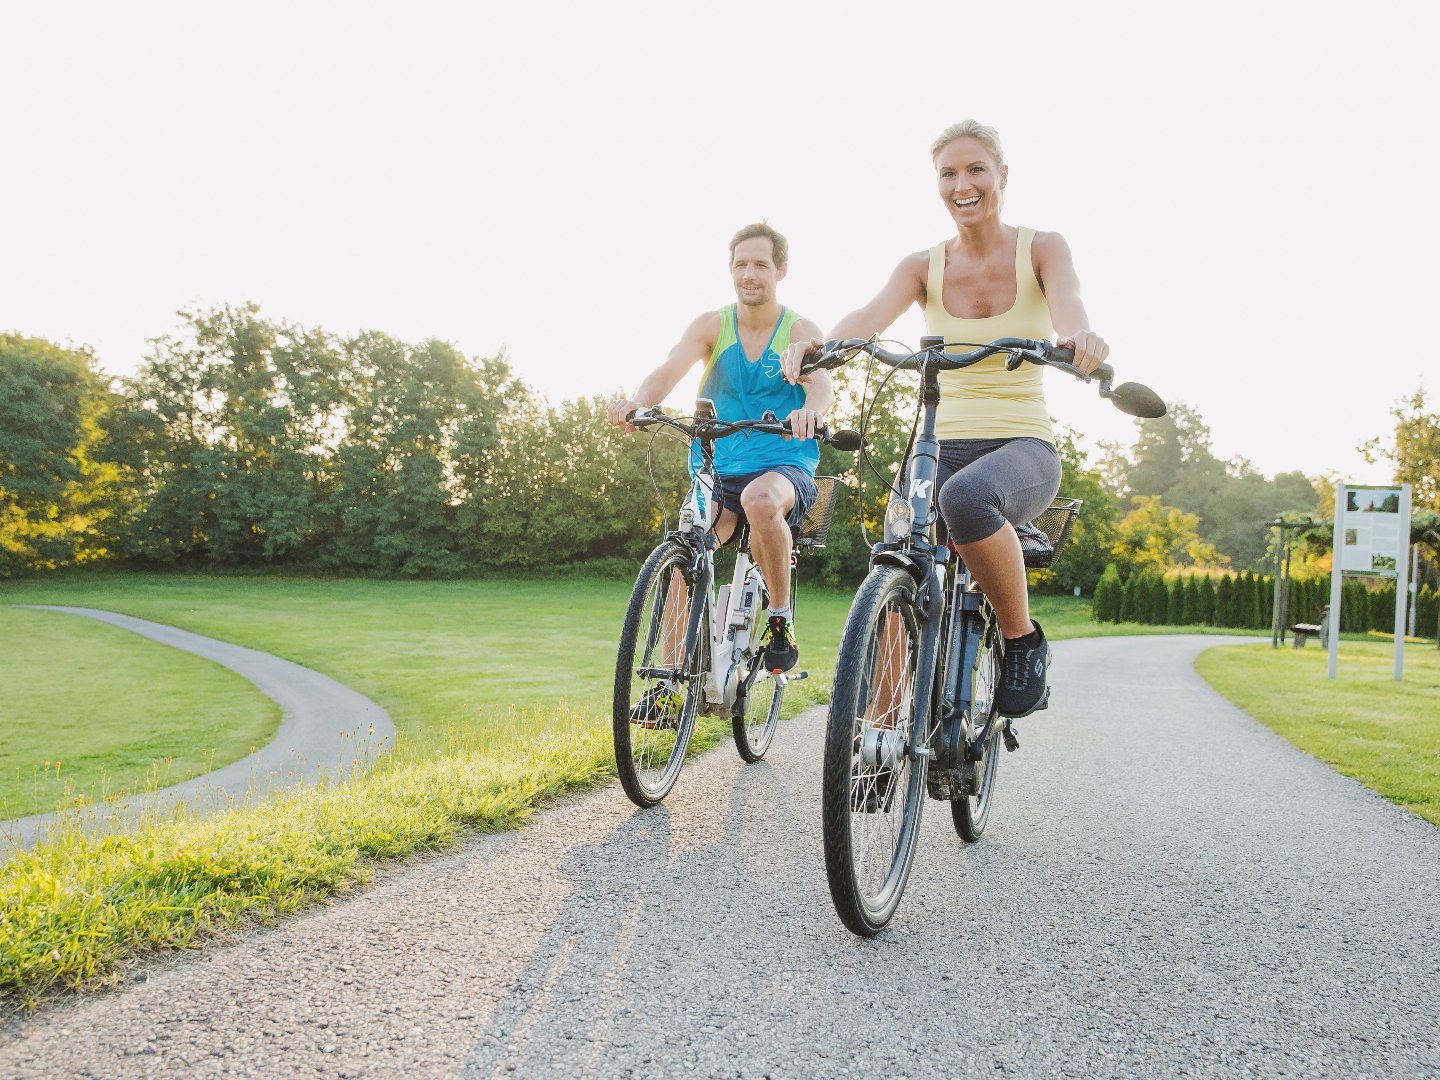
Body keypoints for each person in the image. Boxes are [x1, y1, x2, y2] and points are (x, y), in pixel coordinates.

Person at [782, 120, 1108, 718]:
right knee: (897, 553)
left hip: (1021, 445)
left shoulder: (1042, 248)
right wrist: (819, 345)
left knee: (965, 498)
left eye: (976, 169)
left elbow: (1069, 302)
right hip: (938, 443)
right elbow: (869, 315)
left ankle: (1020, 639)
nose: (964, 184)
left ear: (1002, 176)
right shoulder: (922, 265)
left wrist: (1078, 337)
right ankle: (879, 740)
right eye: (949, 174)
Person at [608, 222, 834, 677]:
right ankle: (670, 681)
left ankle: (780, 620)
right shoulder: (713, 325)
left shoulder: (799, 328)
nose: (749, 274)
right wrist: (639, 401)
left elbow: (823, 384)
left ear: (781, 271)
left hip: (781, 465)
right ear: (730, 270)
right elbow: (669, 368)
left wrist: (812, 410)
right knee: (686, 541)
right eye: (740, 264)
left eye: (760, 265)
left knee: (760, 500)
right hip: (717, 466)